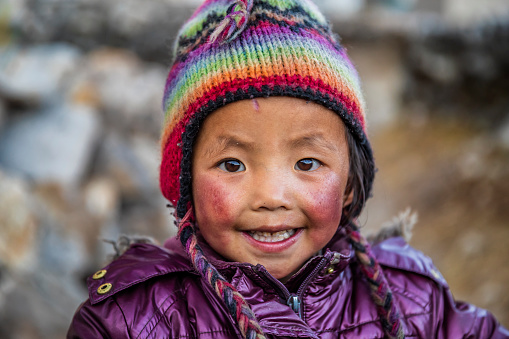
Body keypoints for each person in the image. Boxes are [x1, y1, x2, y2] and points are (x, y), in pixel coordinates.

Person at [67, 0, 509, 338]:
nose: (272, 194)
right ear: (185, 183)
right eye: (233, 163)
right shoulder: (132, 318)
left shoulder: (414, 299)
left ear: (351, 185)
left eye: (307, 162)